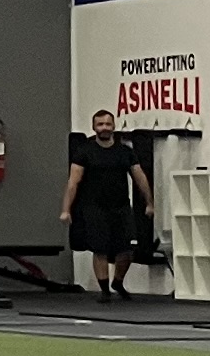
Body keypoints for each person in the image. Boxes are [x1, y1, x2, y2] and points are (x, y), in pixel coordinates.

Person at [63, 109, 149, 301]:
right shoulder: (84, 152)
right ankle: (104, 290)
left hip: (121, 207)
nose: (104, 128)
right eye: (100, 124)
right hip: (94, 208)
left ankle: (118, 281)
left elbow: (140, 177)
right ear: (94, 127)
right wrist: (66, 209)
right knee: (100, 250)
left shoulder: (125, 152)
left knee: (127, 251)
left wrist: (149, 203)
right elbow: (73, 182)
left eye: (108, 124)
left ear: (113, 126)